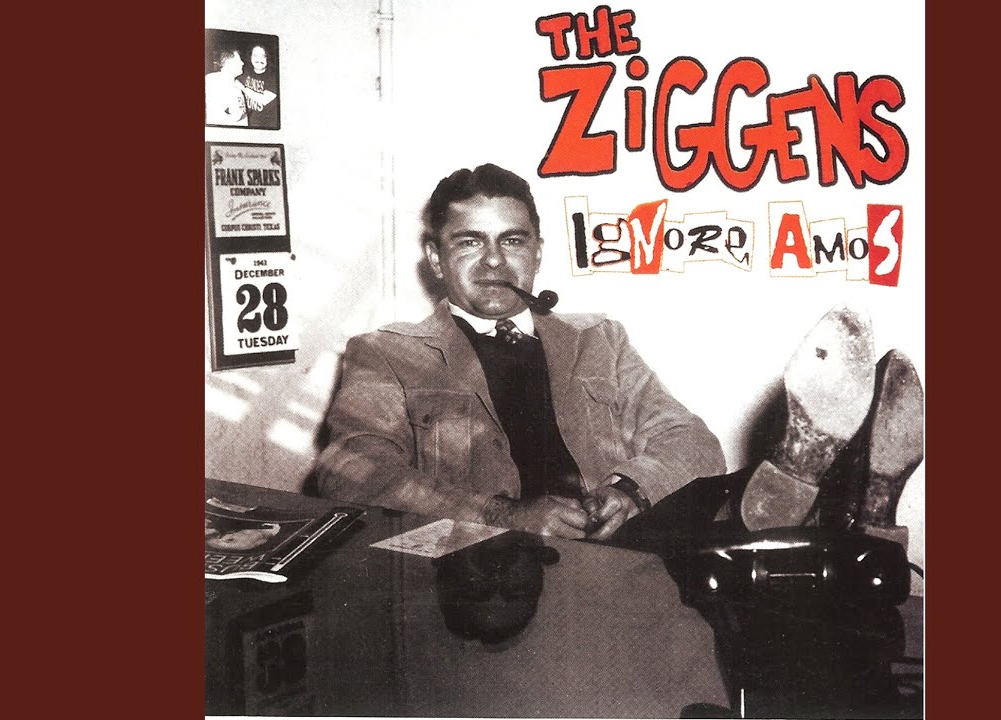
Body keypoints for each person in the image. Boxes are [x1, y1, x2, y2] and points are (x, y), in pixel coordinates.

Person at [314, 164, 727, 541]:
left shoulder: (600, 339)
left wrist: (630, 491)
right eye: (470, 242)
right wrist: (500, 516)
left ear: (537, 254)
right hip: (474, 576)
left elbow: (692, 442)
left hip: (607, 569)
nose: (494, 260)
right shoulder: (385, 353)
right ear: (436, 259)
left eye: (512, 241)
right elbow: (352, 472)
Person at [205, 48, 247, 126]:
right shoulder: (213, 81)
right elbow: (215, 115)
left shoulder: (235, 82)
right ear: (229, 63)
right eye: (239, 60)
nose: (242, 63)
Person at [241, 44, 279, 128]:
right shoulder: (245, 72)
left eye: (263, 56)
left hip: (266, 127)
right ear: (250, 57)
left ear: (268, 58)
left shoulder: (274, 76)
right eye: (255, 55)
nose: (259, 59)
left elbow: (263, 100)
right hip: (247, 124)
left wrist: (242, 87)